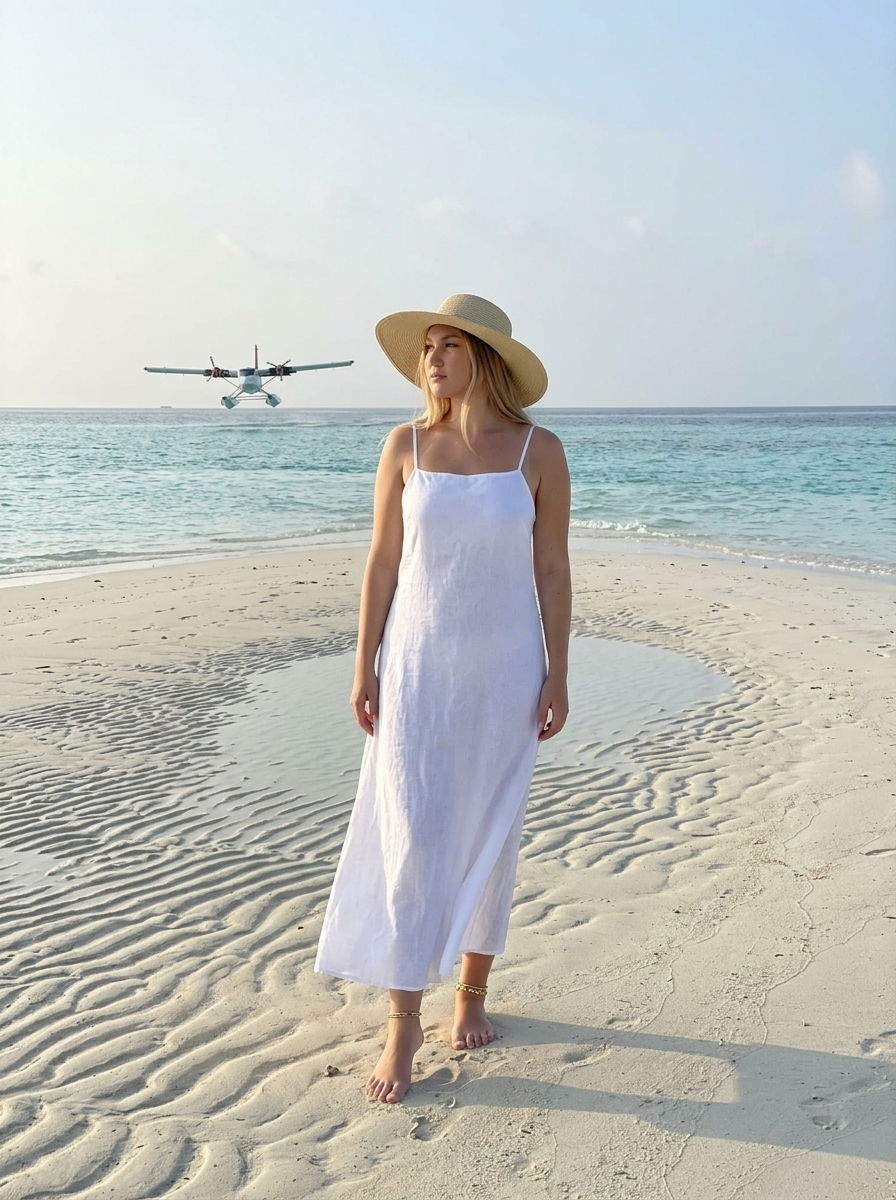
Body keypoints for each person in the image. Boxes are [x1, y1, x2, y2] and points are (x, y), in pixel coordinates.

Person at [315, 293, 571, 1104]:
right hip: (418, 667)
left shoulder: (539, 451)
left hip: (505, 672)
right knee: (415, 833)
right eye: (427, 346)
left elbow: (553, 570)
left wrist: (558, 670)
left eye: (449, 344)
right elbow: (382, 565)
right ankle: (402, 1019)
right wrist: (365, 664)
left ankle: (471, 995)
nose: (432, 358)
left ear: (485, 359)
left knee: (492, 832)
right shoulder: (405, 446)